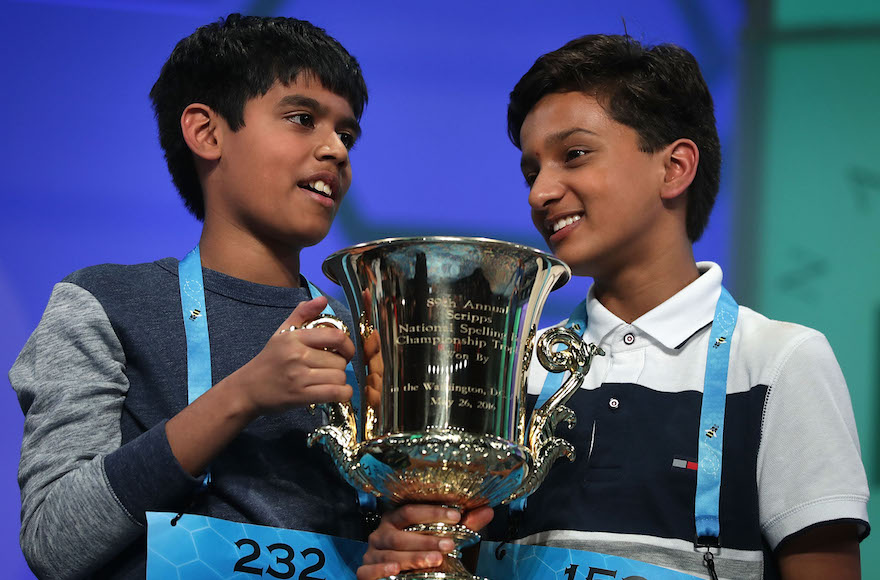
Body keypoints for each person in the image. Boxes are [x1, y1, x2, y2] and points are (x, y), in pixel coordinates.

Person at [356, 34, 870, 580]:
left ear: (674, 168)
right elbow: (450, 550)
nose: (539, 193)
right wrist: (415, 550)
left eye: (573, 154)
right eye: (532, 171)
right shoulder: (512, 368)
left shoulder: (780, 361)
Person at [10, 14, 370, 579]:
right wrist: (241, 396)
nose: (335, 150)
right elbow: (55, 541)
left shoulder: (369, 332)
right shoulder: (103, 302)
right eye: (303, 119)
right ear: (206, 132)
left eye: (346, 134)